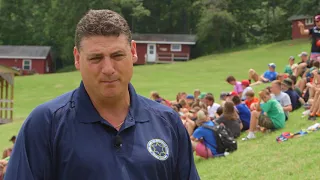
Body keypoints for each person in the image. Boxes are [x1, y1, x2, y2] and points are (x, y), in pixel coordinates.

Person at [4, 10, 200, 180]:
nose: (108, 68)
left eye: (117, 56)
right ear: (77, 58)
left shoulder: (167, 122)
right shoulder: (46, 124)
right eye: (96, 58)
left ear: (133, 52)